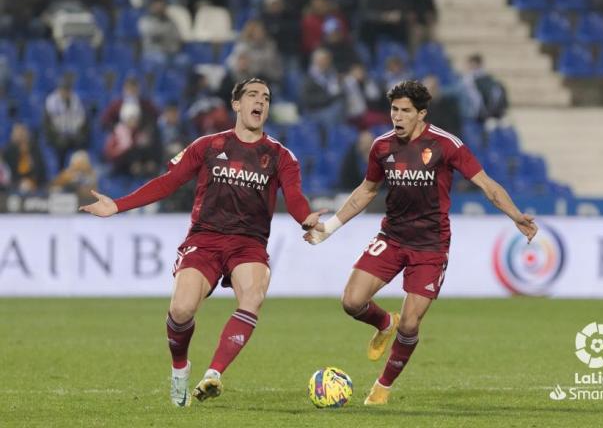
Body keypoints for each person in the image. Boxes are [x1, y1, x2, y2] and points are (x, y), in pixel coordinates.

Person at [80, 78, 324, 407]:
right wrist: (118, 205)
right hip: (205, 239)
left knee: (253, 296)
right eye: (253, 95)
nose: (260, 102)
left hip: (248, 243)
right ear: (236, 105)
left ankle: (214, 374)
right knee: (180, 310)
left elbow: (294, 198)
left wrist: (305, 218)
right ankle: (180, 367)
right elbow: (168, 183)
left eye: (265, 97)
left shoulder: (281, 155)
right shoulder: (208, 146)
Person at [304, 80, 537, 405]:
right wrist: (328, 229)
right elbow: (366, 191)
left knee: (411, 323)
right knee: (352, 302)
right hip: (393, 237)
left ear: (421, 114)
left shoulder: (446, 145)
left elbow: (486, 184)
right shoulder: (382, 147)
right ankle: (385, 323)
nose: (397, 117)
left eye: (405, 111)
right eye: (394, 110)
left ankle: (382, 387)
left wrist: (515, 215)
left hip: (430, 246)